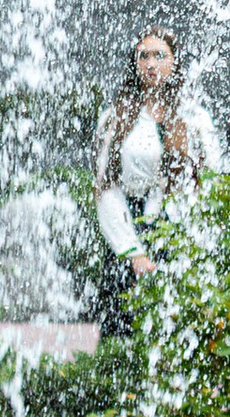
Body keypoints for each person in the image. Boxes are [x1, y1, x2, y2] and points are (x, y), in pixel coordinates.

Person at [91, 25, 221, 295]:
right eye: (144, 56)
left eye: (160, 56)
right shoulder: (115, 119)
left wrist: (190, 239)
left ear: (174, 62)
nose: (151, 64)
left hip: (178, 232)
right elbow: (105, 189)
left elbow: (210, 182)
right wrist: (133, 252)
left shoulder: (194, 120)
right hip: (127, 234)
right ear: (134, 64)